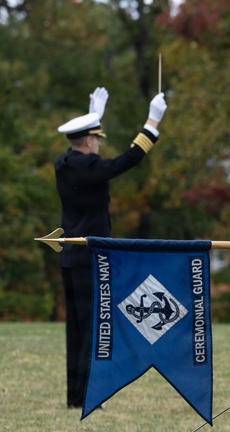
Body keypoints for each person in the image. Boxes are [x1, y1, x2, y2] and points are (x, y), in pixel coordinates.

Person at [54, 87, 167, 409]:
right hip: (90, 259)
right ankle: (88, 396)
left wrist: (94, 117)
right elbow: (127, 160)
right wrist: (152, 122)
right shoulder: (87, 168)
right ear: (89, 141)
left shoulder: (63, 164)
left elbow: (93, 161)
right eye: (97, 139)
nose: (100, 145)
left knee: (77, 332)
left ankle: (76, 396)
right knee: (92, 329)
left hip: (71, 257)